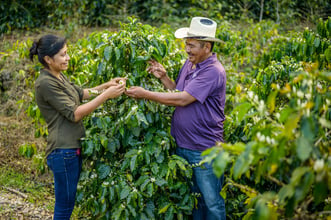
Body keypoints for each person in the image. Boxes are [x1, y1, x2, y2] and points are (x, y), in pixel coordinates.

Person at [125, 17, 226, 219]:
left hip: (204, 148)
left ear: (207, 46)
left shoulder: (213, 71)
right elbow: (177, 90)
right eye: (186, 45)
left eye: (192, 46)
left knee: (212, 202)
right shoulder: (190, 64)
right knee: (195, 199)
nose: (187, 50)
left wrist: (145, 94)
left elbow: (183, 99)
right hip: (184, 145)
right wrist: (163, 77)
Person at [29, 34, 126, 219]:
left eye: (67, 53)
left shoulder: (57, 76)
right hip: (63, 150)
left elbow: (81, 93)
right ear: (48, 59)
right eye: (63, 55)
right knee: (64, 206)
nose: (68, 58)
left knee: (68, 202)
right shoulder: (45, 83)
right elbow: (74, 114)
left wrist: (107, 85)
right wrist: (107, 95)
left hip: (71, 149)